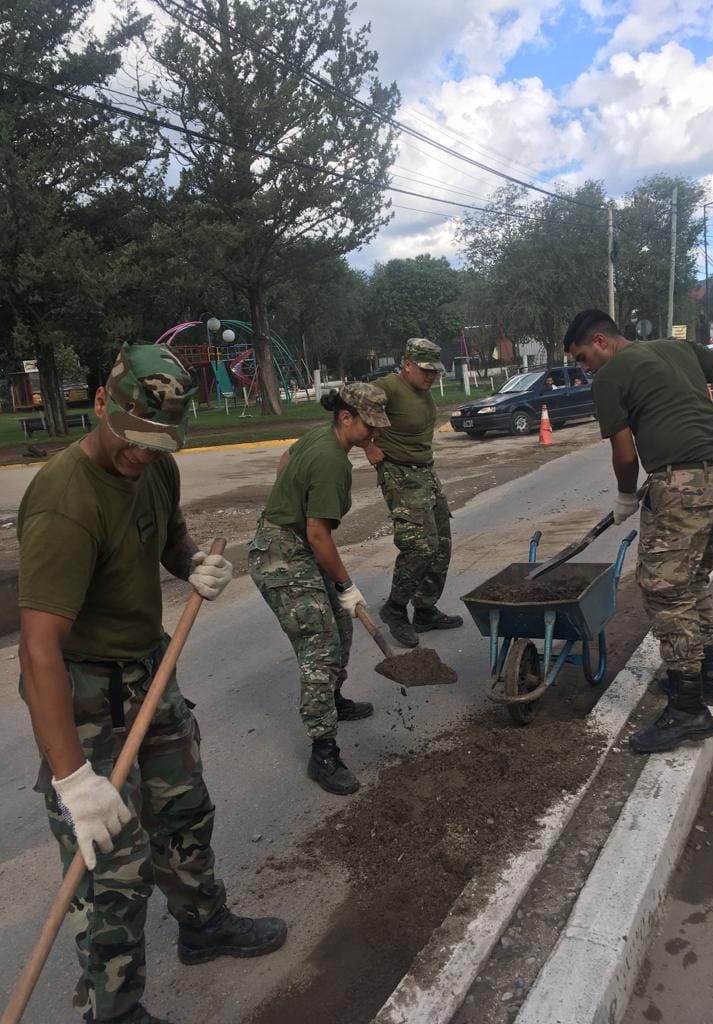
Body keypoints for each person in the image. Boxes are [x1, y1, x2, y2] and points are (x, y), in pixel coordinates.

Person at [16, 343, 287, 1024]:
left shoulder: (156, 465)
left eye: (160, 440)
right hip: (84, 693)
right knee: (113, 862)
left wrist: (195, 565)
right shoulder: (63, 502)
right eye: (134, 436)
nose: (144, 453)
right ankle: (116, 1009)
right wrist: (74, 778)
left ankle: (202, 925)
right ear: (102, 404)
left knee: (184, 812)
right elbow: (38, 651)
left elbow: (170, 540)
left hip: (150, 667)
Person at [563, 310, 713, 754]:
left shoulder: (610, 376)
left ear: (601, 341)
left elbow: (626, 455)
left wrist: (625, 497)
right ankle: (706, 679)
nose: (584, 368)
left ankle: (688, 710)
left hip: (678, 486)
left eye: (582, 357)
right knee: (691, 583)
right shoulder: (679, 349)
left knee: (664, 590)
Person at [249, 383, 390, 796]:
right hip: (281, 554)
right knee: (321, 645)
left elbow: (285, 460)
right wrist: (346, 585)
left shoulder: (320, 437)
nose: (374, 435)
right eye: (370, 426)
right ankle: (323, 752)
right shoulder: (333, 462)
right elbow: (318, 534)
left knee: (342, 629)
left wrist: (289, 499)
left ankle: (333, 698)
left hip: (292, 542)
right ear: (346, 417)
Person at [363, 338, 463, 648]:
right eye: (425, 370)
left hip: (426, 474)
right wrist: (367, 446)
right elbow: (346, 411)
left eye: (435, 371)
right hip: (400, 475)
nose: (431, 377)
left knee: (441, 544)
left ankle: (424, 610)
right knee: (420, 546)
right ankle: (395, 609)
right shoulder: (387, 388)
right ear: (408, 364)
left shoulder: (421, 392)